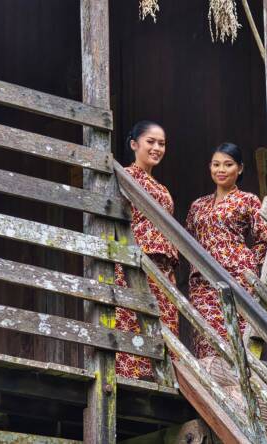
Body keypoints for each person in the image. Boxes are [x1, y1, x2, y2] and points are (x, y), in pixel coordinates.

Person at [185, 142, 267, 359]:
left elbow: (264, 237)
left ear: (240, 168)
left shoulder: (248, 200)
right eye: (216, 165)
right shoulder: (197, 205)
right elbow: (188, 239)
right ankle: (211, 386)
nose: (221, 170)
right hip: (202, 281)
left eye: (228, 164)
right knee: (206, 335)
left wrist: (248, 262)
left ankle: (236, 388)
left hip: (236, 279)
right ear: (210, 167)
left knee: (234, 335)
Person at [115, 121, 179, 380]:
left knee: (164, 319)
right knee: (134, 317)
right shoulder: (124, 175)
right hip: (138, 258)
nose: (156, 148)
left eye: (161, 143)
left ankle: (161, 375)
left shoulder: (162, 188)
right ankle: (132, 376)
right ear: (134, 144)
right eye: (150, 142)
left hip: (164, 264)